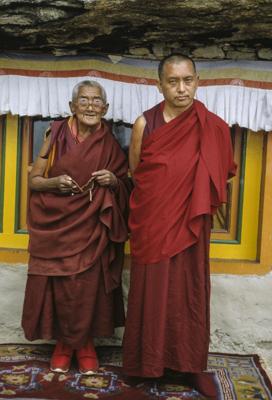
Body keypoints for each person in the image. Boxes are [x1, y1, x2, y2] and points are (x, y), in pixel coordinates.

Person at [122, 54, 236, 398]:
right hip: (154, 222)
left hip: (191, 223)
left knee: (189, 292)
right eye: (173, 81)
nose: (181, 88)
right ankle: (146, 365)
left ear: (198, 81)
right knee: (151, 291)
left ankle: (190, 365)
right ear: (160, 85)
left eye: (187, 80)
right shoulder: (146, 123)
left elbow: (222, 174)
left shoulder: (213, 126)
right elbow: (136, 174)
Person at [22, 80, 130, 375]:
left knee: (87, 288)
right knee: (58, 287)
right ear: (72, 106)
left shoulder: (109, 144)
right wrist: (55, 184)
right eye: (84, 101)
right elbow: (34, 181)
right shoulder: (54, 133)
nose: (90, 106)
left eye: (97, 101)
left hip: (92, 228)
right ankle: (63, 346)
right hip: (57, 225)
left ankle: (84, 345)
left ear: (105, 109)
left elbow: (126, 185)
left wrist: (113, 181)